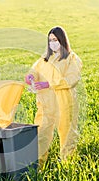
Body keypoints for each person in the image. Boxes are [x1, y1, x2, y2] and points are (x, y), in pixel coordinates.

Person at [25, 26, 82, 167]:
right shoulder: (44, 59)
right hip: (45, 104)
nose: (52, 43)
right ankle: (37, 167)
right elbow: (34, 70)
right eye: (50, 40)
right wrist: (30, 76)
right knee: (41, 134)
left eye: (55, 40)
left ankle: (68, 166)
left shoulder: (71, 58)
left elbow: (71, 79)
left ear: (62, 40)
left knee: (67, 135)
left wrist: (48, 84)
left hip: (64, 103)